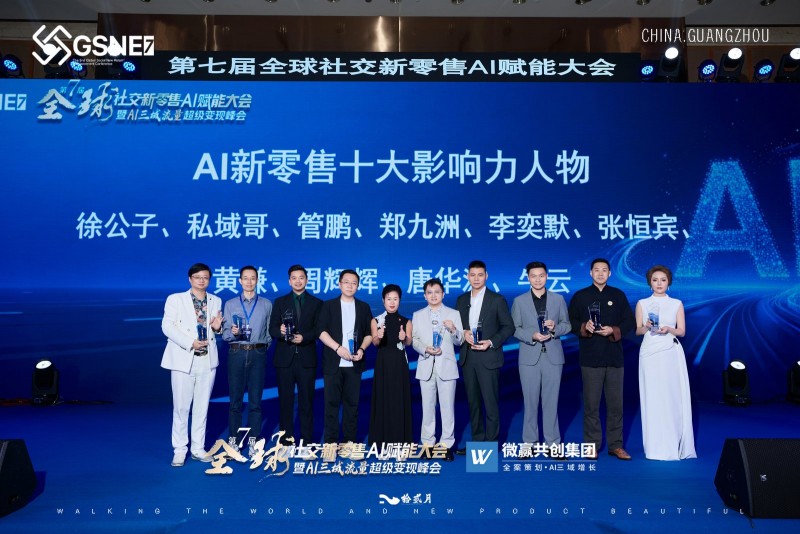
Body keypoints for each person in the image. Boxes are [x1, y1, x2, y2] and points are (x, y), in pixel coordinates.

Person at [568, 258, 635, 460]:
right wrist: (584, 327)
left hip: (614, 358)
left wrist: (613, 330)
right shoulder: (580, 296)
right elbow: (570, 322)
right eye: (596, 270)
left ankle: (616, 445)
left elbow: (629, 321)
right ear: (590, 273)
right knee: (591, 405)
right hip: (590, 358)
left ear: (610, 273)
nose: (600, 273)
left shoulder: (618, 295)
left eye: (604, 270)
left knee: (616, 405)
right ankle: (591, 446)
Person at [161, 263, 223, 467]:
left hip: (207, 360)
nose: (201, 280)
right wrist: (190, 342)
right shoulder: (175, 299)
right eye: (197, 277)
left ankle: (198, 448)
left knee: (202, 407)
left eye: (205, 277)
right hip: (184, 358)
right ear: (190, 279)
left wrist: (218, 328)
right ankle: (179, 450)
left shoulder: (215, 300)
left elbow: (215, 328)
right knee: (181, 407)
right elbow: (167, 326)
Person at [635, 265, 696, 461]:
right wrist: (646, 326)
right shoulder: (642, 303)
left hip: (669, 351)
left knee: (671, 397)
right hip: (649, 353)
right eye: (655, 280)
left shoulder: (676, 303)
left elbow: (682, 331)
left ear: (668, 282)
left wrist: (669, 328)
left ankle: (673, 443)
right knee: (653, 397)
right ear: (650, 283)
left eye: (663, 280)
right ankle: (655, 446)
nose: (659, 283)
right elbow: (638, 330)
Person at [511, 261, 571, 453]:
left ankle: (553, 444)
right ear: (528, 278)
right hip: (529, 358)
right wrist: (532, 335)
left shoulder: (558, 299)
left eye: (541, 275)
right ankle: (529, 443)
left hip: (553, 357)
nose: (537, 279)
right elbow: (514, 329)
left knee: (551, 403)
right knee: (530, 403)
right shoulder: (519, 301)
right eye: (533, 276)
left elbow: (567, 325)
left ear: (547, 276)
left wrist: (554, 329)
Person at [455, 260, 514, 452]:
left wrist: (491, 341)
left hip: (488, 357)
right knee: (473, 404)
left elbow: (508, 327)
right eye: (472, 275)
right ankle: (477, 443)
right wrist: (463, 332)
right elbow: (458, 327)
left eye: (480, 275)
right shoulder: (461, 300)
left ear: (486, 276)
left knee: (490, 403)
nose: (476, 279)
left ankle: (490, 445)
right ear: (467, 277)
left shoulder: (497, 300)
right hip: (468, 357)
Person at [268, 264, 322, 446]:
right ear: (289, 281)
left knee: (307, 402)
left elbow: (320, 330)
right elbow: (272, 329)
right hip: (285, 360)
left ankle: (306, 442)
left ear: (306, 280)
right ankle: (286, 441)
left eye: (301, 277)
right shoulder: (280, 302)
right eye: (294, 278)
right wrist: (281, 331)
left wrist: (304, 337)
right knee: (285, 402)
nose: (298, 281)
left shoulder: (317, 303)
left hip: (307, 359)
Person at [317, 270, 373, 444]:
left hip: (354, 364)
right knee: (331, 406)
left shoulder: (363, 307)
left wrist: (362, 349)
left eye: (354, 283)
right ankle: (330, 444)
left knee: (352, 406)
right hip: (333, 363)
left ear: (358, 286)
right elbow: (321, 331)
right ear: (339, 284)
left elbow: (369, 333)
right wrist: (338, 348)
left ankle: (350, 443)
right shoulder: (328, 305)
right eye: (346, 282)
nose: (350, 285)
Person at [221, 266, 272, 455]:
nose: (249, 281)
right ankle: (233, 440)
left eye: (253, 278)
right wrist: (233, 333)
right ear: (240, 281)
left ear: (257, 280)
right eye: (245, 278)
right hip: (237, 352)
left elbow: (268, 332)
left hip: (258, 354)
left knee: (255, 401)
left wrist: (261, 348)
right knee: (235, 400)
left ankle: (254, 441)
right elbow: (225, 333)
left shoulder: (266, 304)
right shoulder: (230, 304)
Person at [411, 278, 463, 462]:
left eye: (437, 292)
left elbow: (459, 341)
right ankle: (427, 445)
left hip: (446, 366)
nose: (433, 296)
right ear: (425, 295)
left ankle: (446, 445)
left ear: (443, 294)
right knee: (427, 408)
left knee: (448, 408)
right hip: (426, 365)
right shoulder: (418, 315)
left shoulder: (453, 313)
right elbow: (414, 340)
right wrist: (425, 349)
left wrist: (453, 329)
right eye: (429, 292)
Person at [369, 284, 413, 449]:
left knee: (399, 400)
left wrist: (404, 337)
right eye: (389, 299)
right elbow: (375, 343)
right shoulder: (376, 321)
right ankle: (382, 443)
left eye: (395, 299)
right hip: (383, 364)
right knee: (383, 400)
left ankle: (401, 443)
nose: (392, 302)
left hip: (400, 364)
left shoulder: (406, 321)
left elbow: (408, 342)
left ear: (400, 300)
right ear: (383, 300)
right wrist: (379, 336)